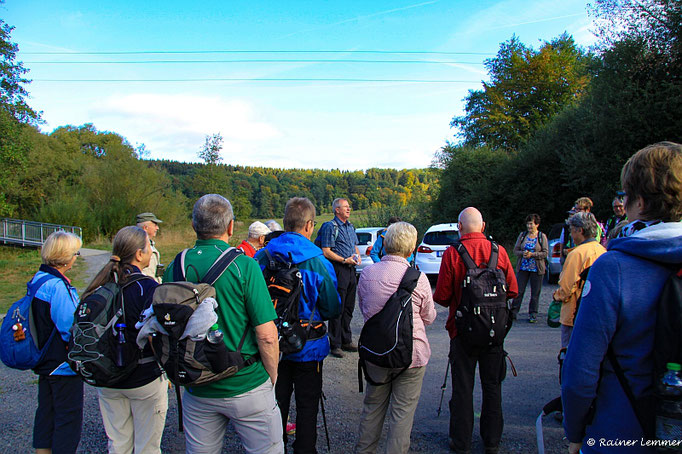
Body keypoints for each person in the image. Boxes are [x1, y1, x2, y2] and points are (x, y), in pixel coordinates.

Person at [562, 142, 682, 454]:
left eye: (625, 196)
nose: (622, 204)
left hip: (621, 431)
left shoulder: (613, 267)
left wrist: (575, 431)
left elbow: (581, 372)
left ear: (640, 201)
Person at [163, 194, 283, 454]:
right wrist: (272, 377)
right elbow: (266, 336)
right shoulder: (245, 265)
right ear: (230, 227)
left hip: (197, 385)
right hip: (246, 382)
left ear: (194, 226)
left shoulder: (175, 266)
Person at [255, 197, 341, 453]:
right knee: (307, 403)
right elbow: (331, 308)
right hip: (309, 345)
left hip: (271, 344)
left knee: (275, 401)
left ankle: (275, 445)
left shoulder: (262, 256)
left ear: (284, 222)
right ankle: (305, 448)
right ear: (310, 225)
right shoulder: (319, 262)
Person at [433, 207, 518, 454]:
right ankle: (491, 441)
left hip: (462, 332)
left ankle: (461, 443)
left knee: (463, 388)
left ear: (459, 227)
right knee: (492, 386)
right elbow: (512, 290)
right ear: (483, 226)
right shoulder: (499, 251)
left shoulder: (453, 253)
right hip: (494, 333)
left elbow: (442, 295)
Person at [82, 226, 167, 454]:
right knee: (147, 446)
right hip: (143, 376)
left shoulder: (100, 285)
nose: (151, 252)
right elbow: (154, 335)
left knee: (117, 443)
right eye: (148, 247)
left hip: (107, 377)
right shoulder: (147, 287)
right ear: (139, 254)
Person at [355, 222, 436, 454]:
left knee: (372, 407)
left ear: (386, 243)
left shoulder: (368, 274)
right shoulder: (418, 278)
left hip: (376, 352)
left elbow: (365, 309)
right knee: (402, 414)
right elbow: (428, 317)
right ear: (411, 250)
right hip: (411, 355)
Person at [31, 231, 83, 454]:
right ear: (66, 256)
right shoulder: (58, 288)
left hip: (44, 359)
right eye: (75, 252)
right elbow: (68, 327)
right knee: (67, 419)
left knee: (46, 413)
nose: (77, 257)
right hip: (62, 364)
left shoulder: (38, 280)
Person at [552, 212, 606, 349]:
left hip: (574, 313)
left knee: (569, 352)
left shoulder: (576, 254)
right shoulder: (603, 251)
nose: (570, 234)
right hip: (596, 312)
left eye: (571, 230)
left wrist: (557, 296)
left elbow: (567, 286)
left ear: (580, 230)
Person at [316, 197, 361, 358]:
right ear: (337, 210)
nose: (349, 209)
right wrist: (343, 260)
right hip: (338, 269)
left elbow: (354, 245)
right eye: (345, 207)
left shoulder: (350, 226)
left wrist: (357, 255)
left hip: (350, 269)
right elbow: (326, 250)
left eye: (349, 207)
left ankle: (346, 340)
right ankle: (335, 344)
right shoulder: (330, 226)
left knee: (349, 307)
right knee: (338, 307)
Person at [511, 214, 548, 323]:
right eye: (528, 224)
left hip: (537, 269)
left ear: (537, 224)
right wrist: (523, 253)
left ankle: (533, 314)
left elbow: (545, 253)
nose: (529, 226)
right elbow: (515, 250)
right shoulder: (522, 235)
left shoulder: (541, 237)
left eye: (531, 224)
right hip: (523, 268)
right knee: (519, 291)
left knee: (535, 292)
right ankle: (513, 312)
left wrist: (533, 255)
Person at [136, 212, 163, 283]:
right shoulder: (138, 246)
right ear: (145, 228)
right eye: (155, 225)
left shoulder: (150, 244)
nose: (157, 228)